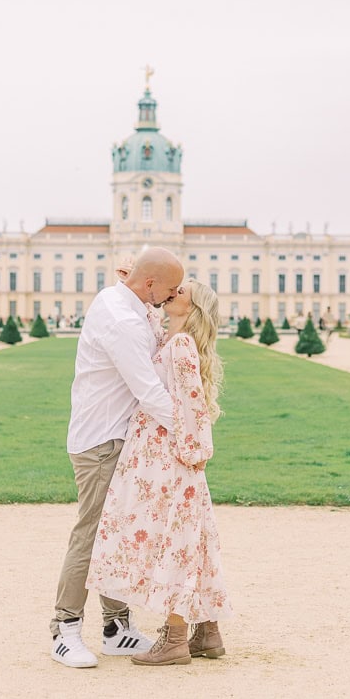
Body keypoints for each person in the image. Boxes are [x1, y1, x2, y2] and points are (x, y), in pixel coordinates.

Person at [49, 246, 184, 669]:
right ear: (148, 283)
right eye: (169, 288)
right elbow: (148, 391)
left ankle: (115, 628)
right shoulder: (124, 319)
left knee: (118, 535)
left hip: (115, 437)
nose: (173, 295)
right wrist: (190, 431)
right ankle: (64, 628)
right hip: (101, 441)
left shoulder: (123, 300)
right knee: (92, 535)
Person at [87, 279, 232, 667]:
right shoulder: (172, 337)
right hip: (166, 448)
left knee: (173, 541)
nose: (173, 292)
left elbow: (192, 403)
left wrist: (195, 449)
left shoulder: (181, 345)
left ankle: (174, 639)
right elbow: (143, 307)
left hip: (168, 453)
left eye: (182, 291)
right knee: (191, 537)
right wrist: (128, 280)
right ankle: (208, 632)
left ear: (192, 307)